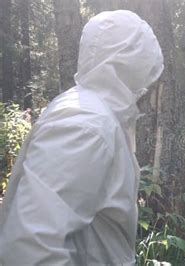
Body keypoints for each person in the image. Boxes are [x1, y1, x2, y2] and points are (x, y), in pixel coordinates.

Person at [0, 10, 163, 265]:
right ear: (131, 64)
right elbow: (29, 249)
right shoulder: (87, 125)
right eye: (148, 67)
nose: (151, 83)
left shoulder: (92, 114)